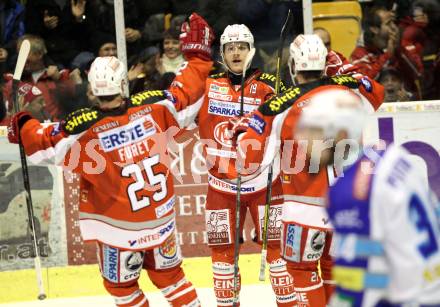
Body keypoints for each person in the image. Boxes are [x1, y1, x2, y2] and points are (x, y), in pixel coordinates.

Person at [7, 13, 214, 307]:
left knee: (122, 289)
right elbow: (187, 91)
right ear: (122, 84)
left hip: (118, 231)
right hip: (160, 221)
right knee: (172, 279)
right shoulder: (156, 108)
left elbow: (40, 143)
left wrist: (22, 122)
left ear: (92, 88)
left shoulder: (82, 130)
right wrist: (197, 59)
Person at [232, 34, 384, 307]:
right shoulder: (349, 90)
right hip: (348, 206)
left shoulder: (278, 107)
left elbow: (251, 161)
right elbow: (378, 93)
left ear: (293, 66)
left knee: (301, 272)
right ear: (325, 62)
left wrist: (244, 131)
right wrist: (344, 73)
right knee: (334, 269)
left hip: (305, 210)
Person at [293, 88, 440, 307]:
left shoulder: (348, 191)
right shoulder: (392, 155)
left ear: (341, 135)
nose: (304, 139)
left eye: (315, 131)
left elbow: (361, 279)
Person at [190, 24, 297, 307]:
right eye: (229, 48)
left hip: (266, 185)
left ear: (251, 51)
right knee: (223, 256)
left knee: (278, 253)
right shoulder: (207, 86)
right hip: (221, 188)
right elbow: (177, 110)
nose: (235, 52)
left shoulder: (269, 87)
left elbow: (294, 120)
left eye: (241, 47)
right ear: (222, 52)